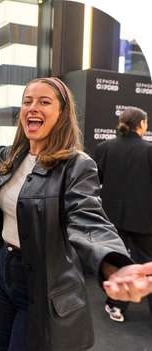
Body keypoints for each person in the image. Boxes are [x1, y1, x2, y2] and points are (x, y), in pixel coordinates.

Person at [0, 77, 152, 351]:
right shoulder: (14, 156)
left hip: (41, 284)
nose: (33, 108)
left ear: (62, 113)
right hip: (1, 277)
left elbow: (88, 220)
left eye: (44, 102)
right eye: (27, 102)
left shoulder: (76, 166)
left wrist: (115, 266)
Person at [94, 107, 152, 322]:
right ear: (142, 124)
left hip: (112, 216)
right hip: (144, 217)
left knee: (118, 262)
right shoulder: (149, 150)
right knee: (148, 263)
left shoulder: (104, 147)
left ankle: (115, 305)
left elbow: (94, 181)